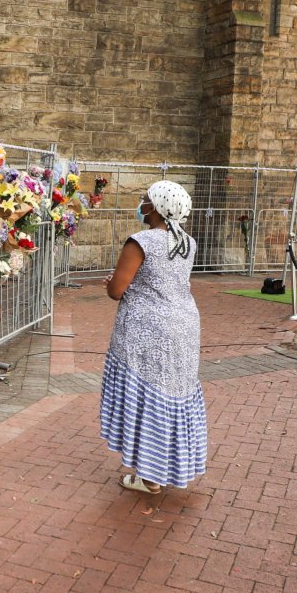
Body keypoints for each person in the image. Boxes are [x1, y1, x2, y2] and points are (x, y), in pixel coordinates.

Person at [100, 181, 206, 495]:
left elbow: (117, 289)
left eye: (144, 200)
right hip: (184, 327)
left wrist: (111, 284)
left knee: (147, 397)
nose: (141, 204)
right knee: (173, 395)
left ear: (157, 208)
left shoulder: (141, 241)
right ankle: (166, 468)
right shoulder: (188, 242)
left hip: (147, 332)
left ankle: (150, 477)